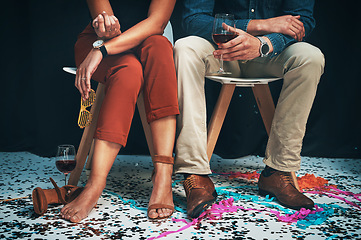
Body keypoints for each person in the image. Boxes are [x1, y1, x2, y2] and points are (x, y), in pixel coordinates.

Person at [174, 0, 325, 215]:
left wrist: (265, 43)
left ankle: (278, 171)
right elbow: (193, 20)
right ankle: (195, 174)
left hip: (270, 53)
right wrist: (263, 24)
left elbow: (302, 22)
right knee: (185, 47)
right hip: (221, 52)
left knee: (310, 57)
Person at [60, 0, 179, 222]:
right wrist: (102, 41)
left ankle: (163, 176)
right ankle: (95, 184)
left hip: (143, 37)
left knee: (161, 48)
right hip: (98, 39)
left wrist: (102, 51)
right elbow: (106, 28)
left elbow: (157, 23)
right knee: (129, 70)